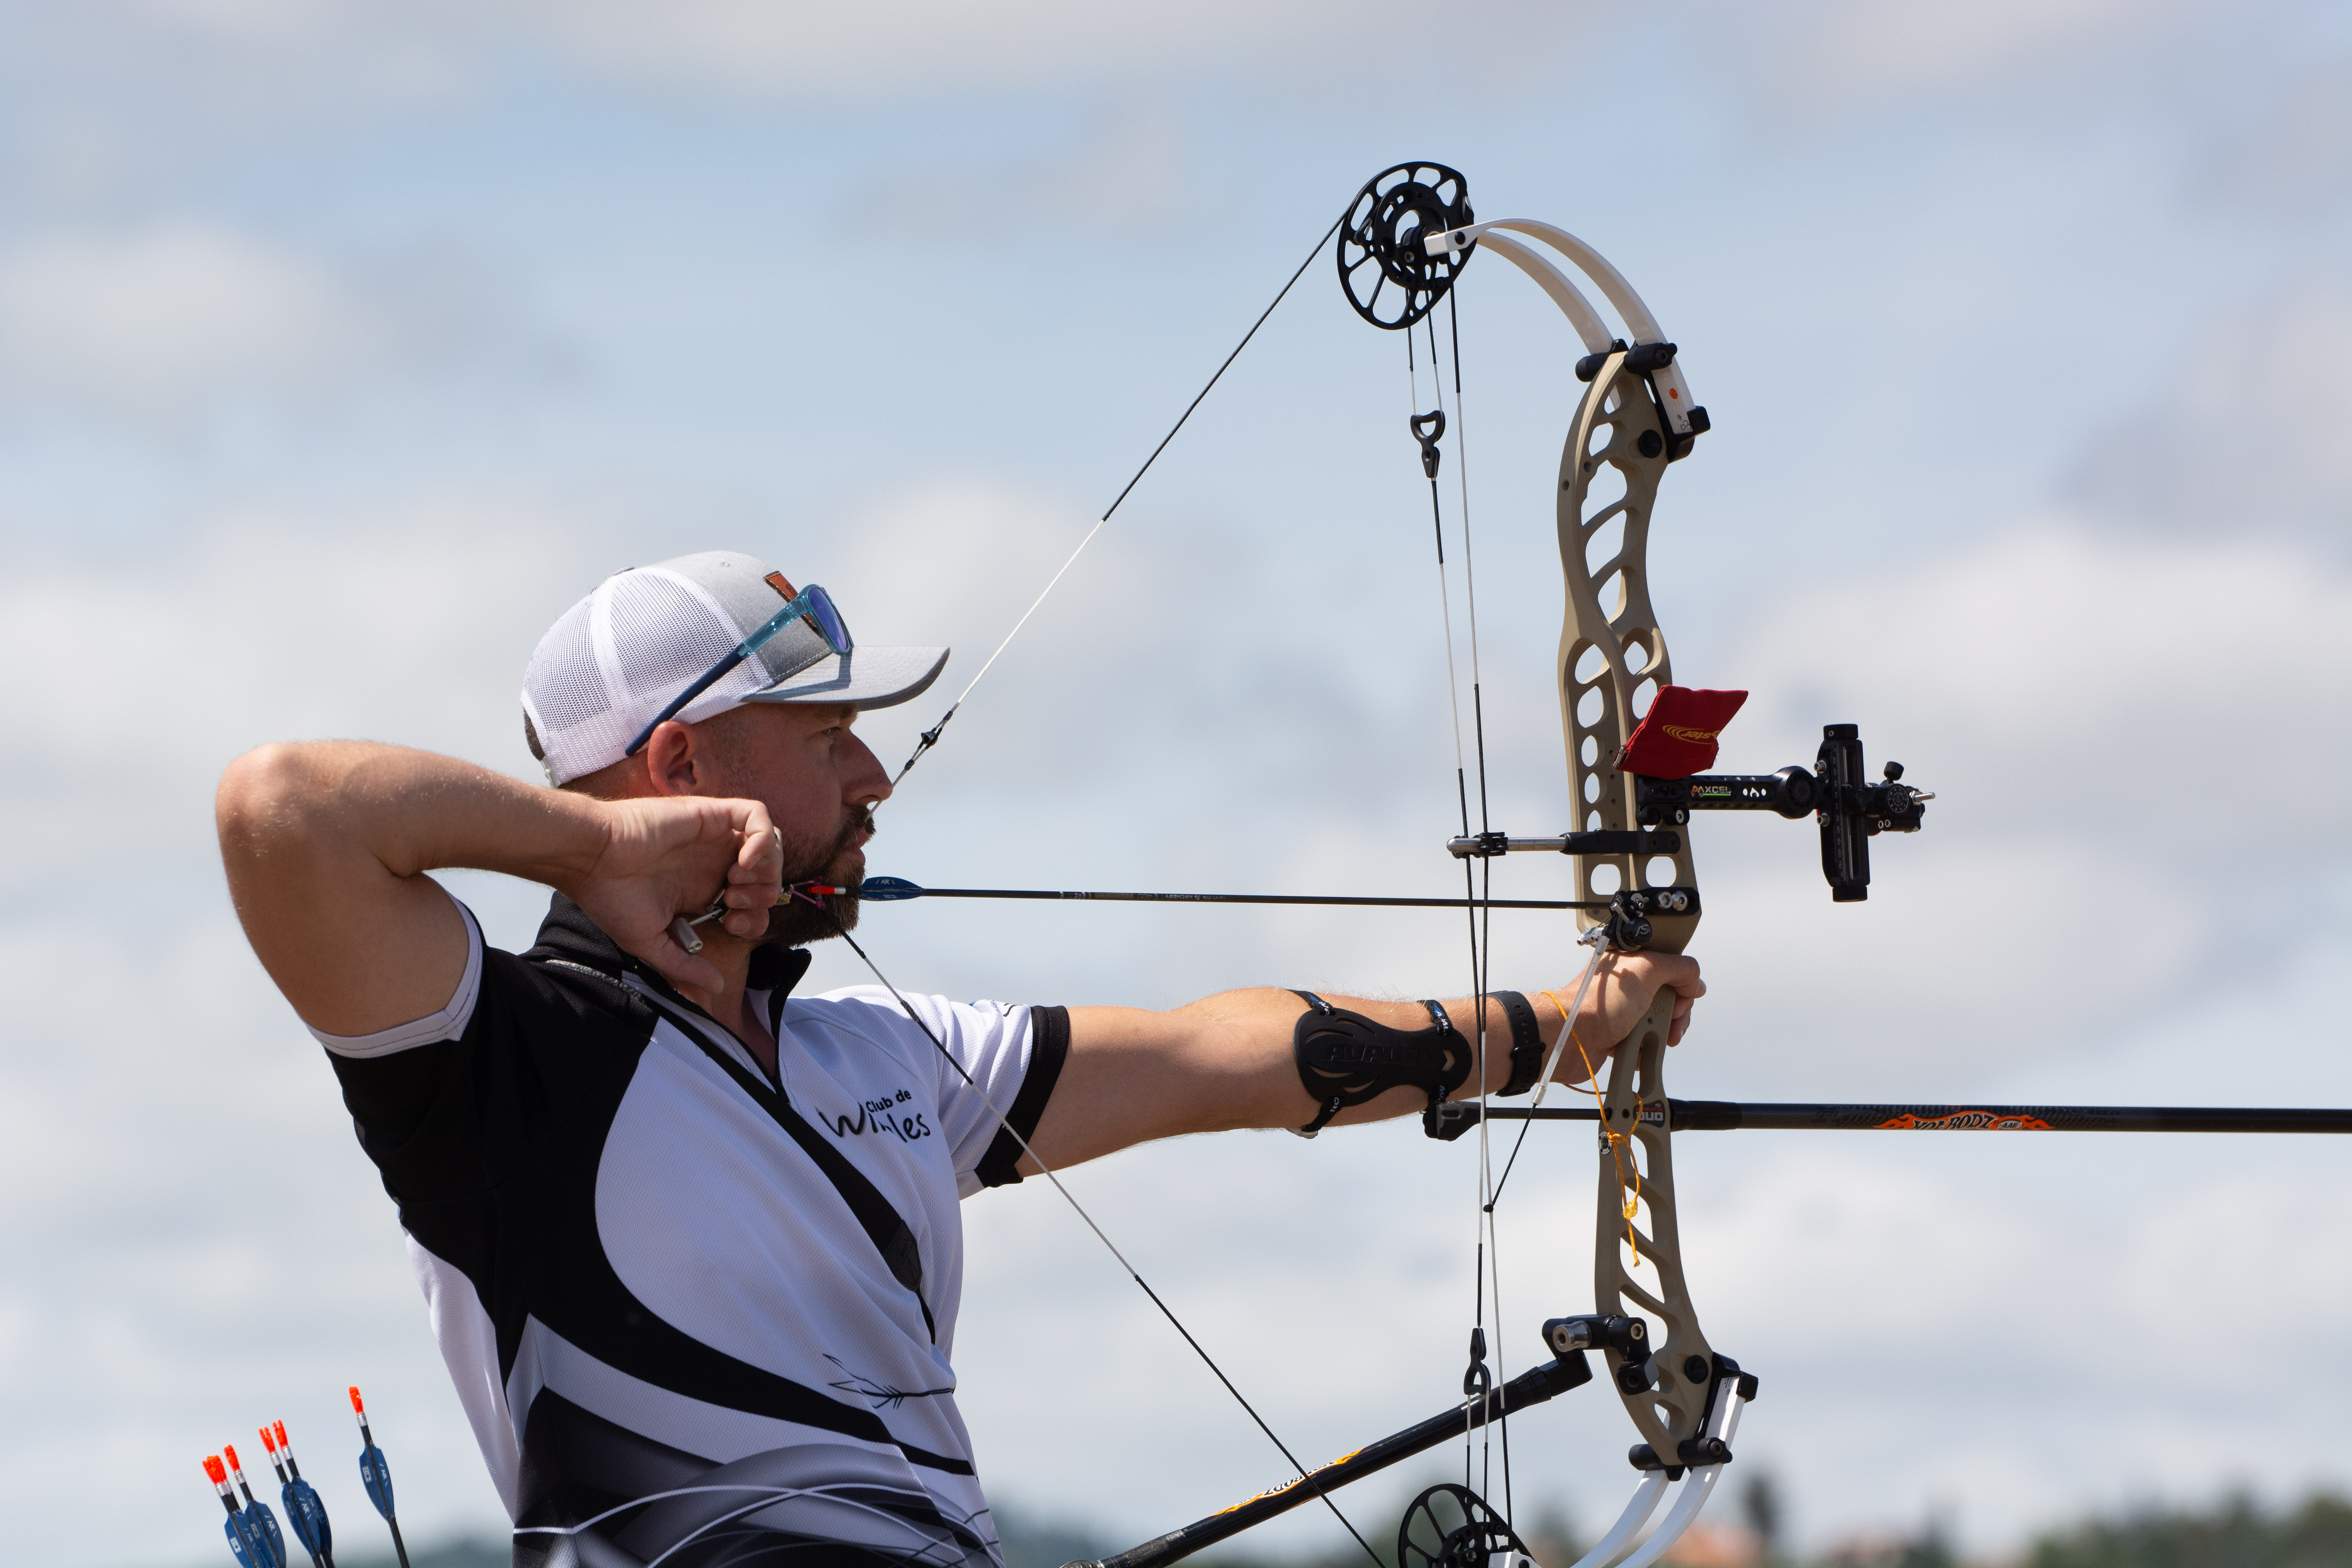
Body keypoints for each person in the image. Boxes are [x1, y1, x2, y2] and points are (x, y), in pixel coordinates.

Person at [214, 550, 1704, 1568]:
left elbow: (1228, 1055)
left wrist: (1560, 1028)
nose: (872, 776)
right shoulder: (500, 1061)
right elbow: (284, 810)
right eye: (827, 735)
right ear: (685, 767)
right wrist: (599, 847)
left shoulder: (889, 1057)